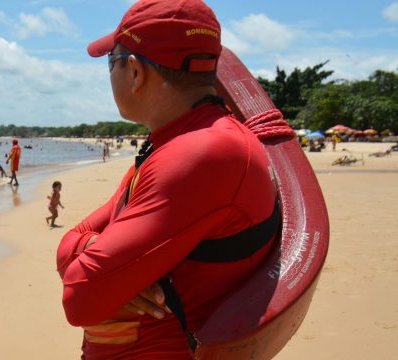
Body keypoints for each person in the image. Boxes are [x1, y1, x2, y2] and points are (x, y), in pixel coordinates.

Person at [56, 1, 279, 358]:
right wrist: (93, 255)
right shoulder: (177, 145)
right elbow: (74, 241)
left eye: (110, 63)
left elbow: (80, 296)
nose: (110, 74)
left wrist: (99, 264)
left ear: (134, 72)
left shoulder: (201, 156)